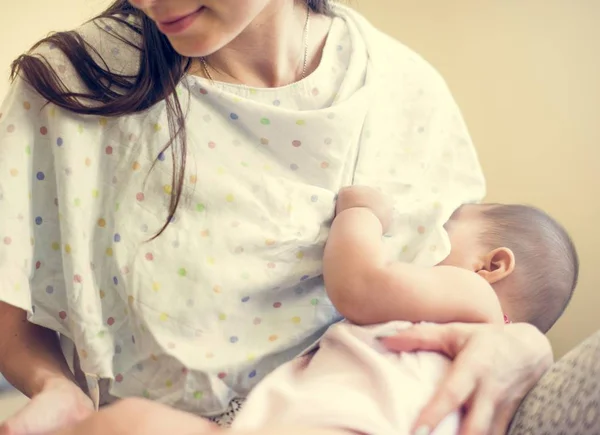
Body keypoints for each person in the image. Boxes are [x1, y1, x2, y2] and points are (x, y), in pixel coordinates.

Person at [0, 1, 555, 434]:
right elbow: (13, 311)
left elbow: (440, 303)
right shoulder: (71, 85)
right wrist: (56, 389)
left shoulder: (410, 95)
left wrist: (522, 343)